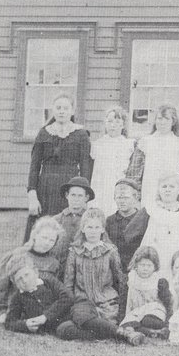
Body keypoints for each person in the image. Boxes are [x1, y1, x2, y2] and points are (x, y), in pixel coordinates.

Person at [62, 208, 144, 345]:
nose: (93, 231)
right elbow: (68, 283)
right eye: (89, 227)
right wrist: (71, 305)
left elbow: (120, 281)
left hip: (107, 303)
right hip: (83, 303)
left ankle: (106, 330)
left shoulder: (110, 251)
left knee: (93, 324)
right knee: (63, 329)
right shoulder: (74, 251)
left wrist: (122, 311)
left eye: (97, 227)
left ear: (102, 229)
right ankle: (121, 333)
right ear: (82, 229)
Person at [26, 92, 92, 239]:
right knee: (44, 229)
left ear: (72, 111)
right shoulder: (43, 133)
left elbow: (86, 167)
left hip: (70, 188)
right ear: (53, 110)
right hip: (46, 188)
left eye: (66, 108)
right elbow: (35, 166)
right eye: (58, 107)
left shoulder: (81, 134)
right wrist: (32, 195)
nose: (62, 111)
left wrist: (84, 197)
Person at [126, 174, 179, 281]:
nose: (167, 190)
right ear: (158, 190)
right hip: (155, 255)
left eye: (171, 187)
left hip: (177, 255)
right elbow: (130, 233)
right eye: (164, 187)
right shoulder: (151, 210)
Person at [0, 216, 64, 315]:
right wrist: (1, 310)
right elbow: (1, 284)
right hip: (17, 306)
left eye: (51, 240)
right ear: (35, 235)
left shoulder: (54, 263)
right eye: (44, 237)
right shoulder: (18, 255)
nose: (47, 243)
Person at [125, 103, 179, 208]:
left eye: (166, 119)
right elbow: (134, 172)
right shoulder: (145, 142)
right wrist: (135, 195)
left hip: (174, 191)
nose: (162, 122)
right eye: (159, 119)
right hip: (150, 189)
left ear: (173, 121)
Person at [3, 257, 74, 337]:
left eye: (27, 275)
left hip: (70, 316)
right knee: (64, 330)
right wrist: (25, 325)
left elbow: (68, 297)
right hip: (59, 327)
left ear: (35, 272)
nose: (25, 281)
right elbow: (9, 322)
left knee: (81, 317)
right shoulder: (17, 297)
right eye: (19, 279)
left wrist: (46, 316)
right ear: (14, 283)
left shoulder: (49, 282)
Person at [89, 105, 135, 217]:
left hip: (119, 185)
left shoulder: (129, 145)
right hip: (101, 186)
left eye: (117, 122)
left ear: (123, 125)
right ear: (105, 124)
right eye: (109, 121)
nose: (113, 125)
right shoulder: (97, 144)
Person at [118, 246, 172, 338]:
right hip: (134, 311)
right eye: (142, 265)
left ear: (155, 267)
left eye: (149, 265)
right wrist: (121, 319)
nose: (145, 269)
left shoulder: (159, 281)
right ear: (136, 265)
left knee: (147, 321)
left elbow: (168, 303)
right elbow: (123, 301)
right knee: (128, 324)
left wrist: (168, 323)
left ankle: (149, 330)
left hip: (153, 312)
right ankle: (151, 332)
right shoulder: (130, 279)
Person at [54, 176, 93, 263]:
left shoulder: (91, 220)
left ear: (86, 198)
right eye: (73, 195)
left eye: (80, 196)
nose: (76, 199)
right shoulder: (56, 220)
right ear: (67, 196)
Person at [106, 179, 141, 272]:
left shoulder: (143, 220)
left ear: (136, 197)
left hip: (136, 271)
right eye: (119, 198)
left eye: (126, 198)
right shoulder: (109, 221)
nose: (122, 201)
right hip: (112, 270)